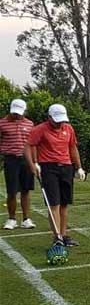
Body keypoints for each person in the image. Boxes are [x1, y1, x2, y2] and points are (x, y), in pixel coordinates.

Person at [27, 104, 86, 246]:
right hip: (48, 168)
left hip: (66, 167)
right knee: (54, 204)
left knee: (64, 204)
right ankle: (57, 236)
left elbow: (72, 147)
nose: (60, 123)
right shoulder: (39, 129)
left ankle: (64, 235)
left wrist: (79, 167)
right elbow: (29, 146)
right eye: (57, 120)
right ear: (49, 117)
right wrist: (33, 164)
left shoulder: (68, 129)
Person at [1, 99, 36, 230]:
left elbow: (33, 144)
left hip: (26, 160)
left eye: (19, 113)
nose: (16, 115)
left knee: (25, 190)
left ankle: (26, 219)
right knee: (12, 191)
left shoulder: (30, 124)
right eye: (14, 113)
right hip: (11, 160)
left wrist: (35, 162)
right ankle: (12, 219)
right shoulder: (2, 123)